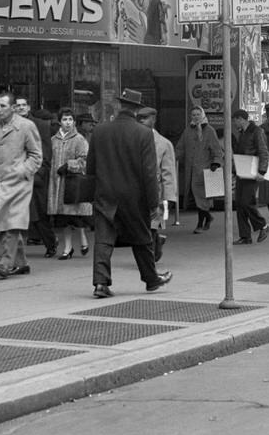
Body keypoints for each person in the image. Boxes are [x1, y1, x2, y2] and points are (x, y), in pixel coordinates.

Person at [84, 89, 171, 298]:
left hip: (105, 194)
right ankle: (151, 280)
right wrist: (153, 203)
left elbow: (91, 168)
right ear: (137, 109)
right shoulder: (143, 134)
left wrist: (93, 194)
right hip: (134, 196)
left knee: (103, 240)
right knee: (142, 238)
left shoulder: (100, 131)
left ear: (119, 106)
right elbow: (149, 173)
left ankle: (100, 283)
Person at [0, 93, 43, 278]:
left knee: (13, 222)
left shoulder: (26, 126)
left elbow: (36, 155)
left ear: (12, 108)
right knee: (3, 222)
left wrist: (23, 171)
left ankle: (6, 262)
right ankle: (21, 262)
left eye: (2, 106)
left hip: (18, 184)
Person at [49, 108, 92, 259]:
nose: (67, 123)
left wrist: (69, 165)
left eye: (70, 120)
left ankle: (80, 241)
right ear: (60, 121)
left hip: (72, 184)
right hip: (57, 184)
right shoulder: (53, 140)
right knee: (63, 219)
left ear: (74, 122)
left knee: (74, 217)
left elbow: (85, 160)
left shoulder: (79, 139)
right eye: (65, 119)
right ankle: (68, 248)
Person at [135, 105, 176, 262]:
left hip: (155, 192)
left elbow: (168, 172)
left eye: (145, 119)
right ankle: (156, 242)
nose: (142, 122)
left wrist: (169, 197)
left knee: (152, 224)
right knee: (141, 226)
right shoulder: (133, 140)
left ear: (153, 120)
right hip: (136, 191)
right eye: (140, 119)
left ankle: (151, 253)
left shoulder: (163, 144)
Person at [17, 99, 56, 256]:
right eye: (17, 106)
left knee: (39, 214)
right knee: (13, 214)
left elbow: (46, 150)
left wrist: (40, 172)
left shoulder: (40, 125)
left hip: (35, 175)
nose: (20, 108)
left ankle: (51, 243)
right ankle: (11, 251)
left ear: (28, 107)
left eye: (23, 105)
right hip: (16, 175)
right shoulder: (9, 125)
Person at [176, 105, 222, 233]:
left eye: (198, 114)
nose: (196, 117)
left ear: (202, 115)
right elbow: (180, 147)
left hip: (205, 171)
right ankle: (208, 218)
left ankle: (200, 224)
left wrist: (216, 163)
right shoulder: (188, 131)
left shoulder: (209, 130)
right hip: (191, 171)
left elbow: (217, 150)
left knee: (201, 197)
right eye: (193, 115)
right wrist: (172, 157)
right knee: (198, 197)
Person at [229, 108, 269, 244]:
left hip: (252, 172)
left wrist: (262, 171)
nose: (234, 124)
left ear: (240, 119)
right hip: (243, 171)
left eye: (235, 121)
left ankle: (262, 224)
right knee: (240, 204)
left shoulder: (256, 131)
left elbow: (263, 152)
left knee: (247, 201)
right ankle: (245, 236)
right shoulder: (243, 133)